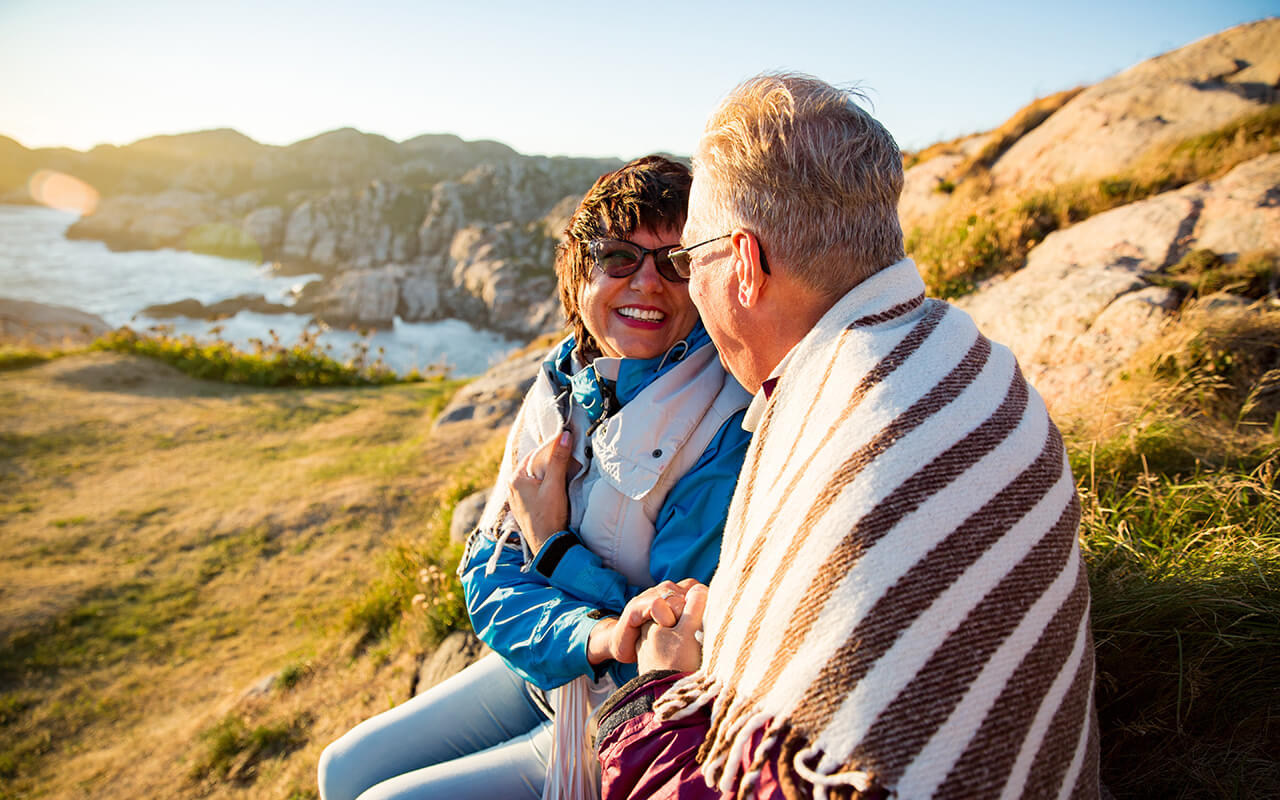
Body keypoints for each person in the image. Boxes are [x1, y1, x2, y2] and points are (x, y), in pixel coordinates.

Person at [588, 75, 1102, 799]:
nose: (682, 285)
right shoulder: (971, 358)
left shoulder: (830, 431)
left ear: (742, 265)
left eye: (685, 261)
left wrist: (659, 688)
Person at [317, 155, 752, 800]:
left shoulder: (725, 418)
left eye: (676, 263)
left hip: (621, 714)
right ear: (580, 275)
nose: (648, 284)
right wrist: (587, 631)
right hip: (547, 666)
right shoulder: (559, 380)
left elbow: (667, 631)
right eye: (619, 258)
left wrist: (552, 547)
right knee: (341, 768)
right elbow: (489, 570)